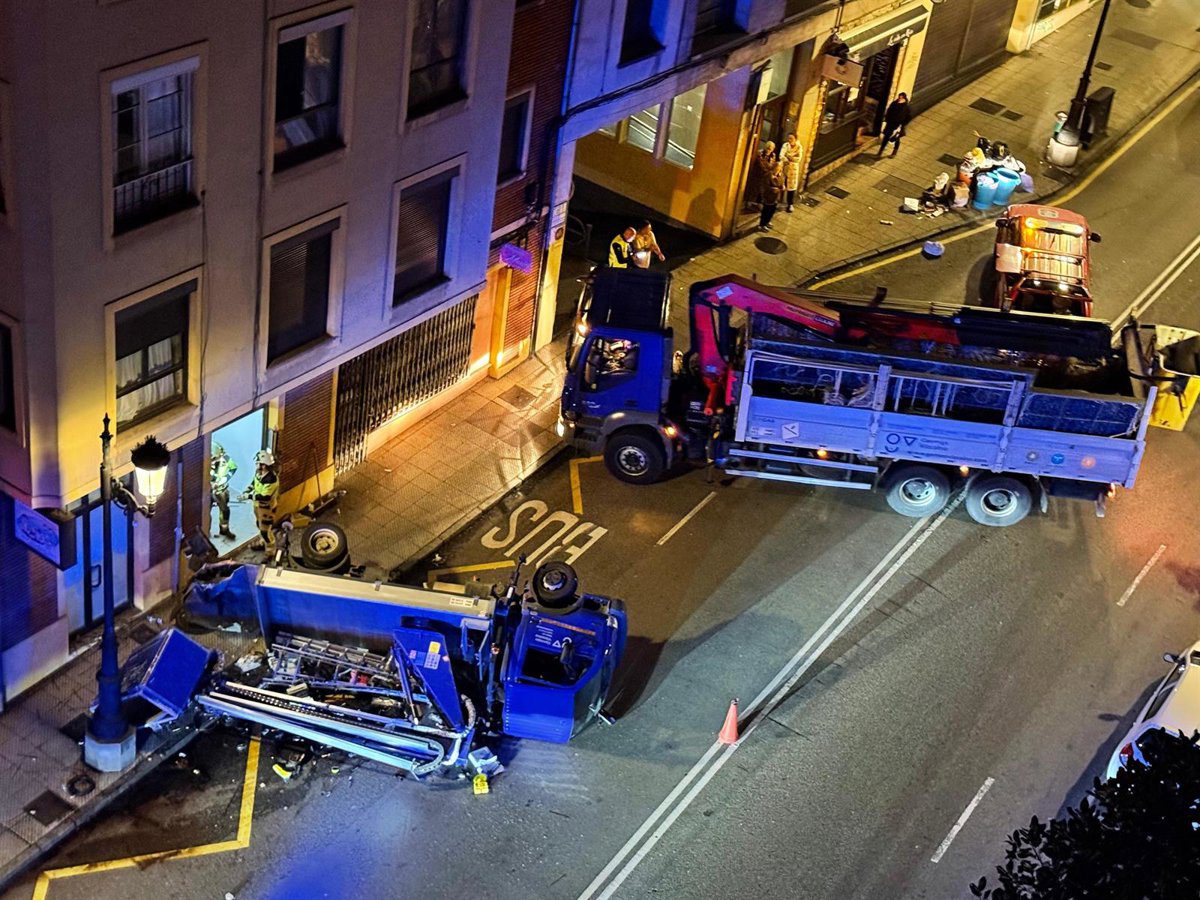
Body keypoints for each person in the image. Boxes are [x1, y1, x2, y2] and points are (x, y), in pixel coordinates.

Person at [241, 449, 280, 551]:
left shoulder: (271, 479)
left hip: (267, 509)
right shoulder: (259, 473)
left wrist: (248, 496)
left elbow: (265, 497)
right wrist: (247, 490)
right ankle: (263, 542)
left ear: (264, 465)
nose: (256, 465)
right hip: (258, 506)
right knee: (259, 524)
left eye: (258, 463)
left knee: (265, 531)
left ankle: (270, 551)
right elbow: (254, 482)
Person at [209, 443, 238, 540]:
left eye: (216, 458)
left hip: (221, 490)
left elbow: (233, 468)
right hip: (208, 492)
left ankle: (224, 529)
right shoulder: (205, 462)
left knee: (225, 511)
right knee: (205, 512)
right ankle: (206, 531)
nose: (215, 461)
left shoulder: (225, 458)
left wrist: (224, 479)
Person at [878, 92, 911, 158]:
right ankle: (880, 152)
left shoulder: (906, 107)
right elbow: (889, 110)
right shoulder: (894, 103)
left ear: (904, 98)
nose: (899, 98)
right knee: (886, 137)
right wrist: (886, 118)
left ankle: (894, 152)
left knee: (896, 138)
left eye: (901, 97)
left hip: (897, 126)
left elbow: (908, 117)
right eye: (899, 96)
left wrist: (902, 124)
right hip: (890, 123)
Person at [779, 133, 804, 212]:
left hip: (793, 170)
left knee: (791, 187)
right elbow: (781, 156)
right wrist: (789, 158)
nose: (789, 140)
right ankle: (779, 200)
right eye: (789, 138)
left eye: (791, 139)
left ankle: (790, 204)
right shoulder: (785, 145)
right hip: (785, 168)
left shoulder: (799, 147)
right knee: (781, 183)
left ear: (795, 139)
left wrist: (788, 156)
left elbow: (798, 159)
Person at [759, 164, 783, 231]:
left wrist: (782, 187)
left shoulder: (779, 175)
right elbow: (764, 186)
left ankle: (767, 221)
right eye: (777, 168)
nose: (778, 170)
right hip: (768, 197)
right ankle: (762, 224)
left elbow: (781, 183)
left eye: (779, 169)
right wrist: (772, 189)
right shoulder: (768, 176)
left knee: (772, 210)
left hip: (775, 197)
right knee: (766, 211)